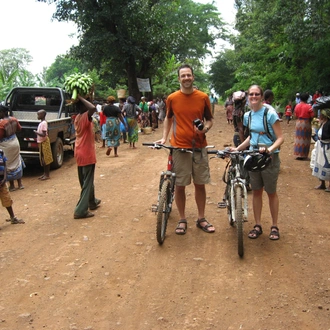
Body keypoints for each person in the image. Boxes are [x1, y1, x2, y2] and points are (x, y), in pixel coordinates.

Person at [156, 64, 215, 235]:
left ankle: (201, 218)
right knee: (180, 185)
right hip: (179, 147)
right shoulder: (172, 98)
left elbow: (210, 119)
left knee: (200, 184)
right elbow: (168, 119)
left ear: (193, 77)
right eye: (183, 76)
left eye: (189, 75)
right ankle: (182, 219)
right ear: (179, 79)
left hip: (199, 147)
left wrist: (205, 128)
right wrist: (164, 138)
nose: (186, 78)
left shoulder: (203, 97)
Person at [232, 85, 284, 240]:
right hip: (253, 156)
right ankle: (258, 224)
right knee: (256, 191)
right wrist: (238, 149)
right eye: (251, 94)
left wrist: (270, 149)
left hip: (269, 158)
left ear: (262, 96)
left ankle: (274, 226)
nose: (253, 97)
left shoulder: (270, 114)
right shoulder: (247, 116)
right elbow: (251, 137)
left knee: (271, 192)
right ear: (248, 97)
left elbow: (280, 137)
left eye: (257, 94)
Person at [73, 95, 101, 219]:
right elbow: (93, 108)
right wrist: (80, 97)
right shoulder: (84, 117)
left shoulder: (77, 118)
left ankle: (92, 202)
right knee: (87, 182)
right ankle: (81, 210)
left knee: (86, 180)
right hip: (86, 152)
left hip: (79, 151)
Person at [0, 105, 25, 191]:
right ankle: (20, 183)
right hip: (15, 141)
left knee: (8, 164)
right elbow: (19, 129)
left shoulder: (2, 123)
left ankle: (12, 185)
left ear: (2, 112)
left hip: (6, 145)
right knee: (17, 161)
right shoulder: (14, 119)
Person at [0, 149, 24, 225]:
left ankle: (12, 217)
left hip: (1, 181)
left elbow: (4, 164)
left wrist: (4, 178)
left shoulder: (1, 151)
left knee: (7, 199)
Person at [312, 108, 330, 191]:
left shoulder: (328, 124)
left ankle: (329, 185)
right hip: (321, 145)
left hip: (327, 146)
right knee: (320, 164)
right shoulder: (323, 123)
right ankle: (322, 183)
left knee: (327, 165)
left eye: (321, 115)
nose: (319, 116)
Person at [293, 92, 314, 160]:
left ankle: (298, 154)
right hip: (306, 123)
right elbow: (312, 116)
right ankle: (304, 155)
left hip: (298, 122)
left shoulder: (297, 106)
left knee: (298, 138)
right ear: (307, 99)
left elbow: (295, 115)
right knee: (306, 138)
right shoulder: (309, 106)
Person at [33, 110, 53, 180]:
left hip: (44, 142)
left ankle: (47, 174)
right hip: (41, 142)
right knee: (43, 158)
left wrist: (36, 132)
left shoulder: (44, 123)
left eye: (39, 115)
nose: (38, 116)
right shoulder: (42, 122)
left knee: (46, 158)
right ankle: (45, 173)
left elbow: (44, 134)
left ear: (43, 115)